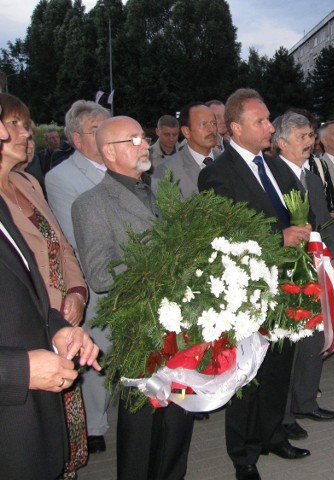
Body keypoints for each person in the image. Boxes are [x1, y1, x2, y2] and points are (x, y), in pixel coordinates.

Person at [72, 116, 194, 480]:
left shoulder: (164, 188)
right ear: (109, 151)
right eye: (134, 139)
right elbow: (99, 274)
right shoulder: (91, 204)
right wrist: (163, 262)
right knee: (143, 425)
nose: (146, 144)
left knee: (179, 417)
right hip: (140, 331)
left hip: (185, 326)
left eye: (144, 137)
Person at [198, 88, 312, 480]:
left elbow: (295, 209)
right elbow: (224, 236)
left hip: (284, 286)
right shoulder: (216, 174)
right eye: (260, 121)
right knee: (247, 373)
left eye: (269, 119)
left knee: (279, 366)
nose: (269, 126)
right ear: (235, 128)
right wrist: (279, 238)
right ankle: (243, 455)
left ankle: (271, 434)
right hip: (247, 293)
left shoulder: (276, 166)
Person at [0, 98, 101, 480]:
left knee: (56, 431)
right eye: (13, 123)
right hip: (21, 338)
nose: (20, 133)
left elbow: (59, 243)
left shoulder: (27, 183)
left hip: (53, 318)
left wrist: (73, 295)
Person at [45, 99, 112, 454]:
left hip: (129, 275)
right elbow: (76, 237)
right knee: (95, 352)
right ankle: (94, 427)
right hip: (94, 279)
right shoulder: (61, 178)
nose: (105, 136)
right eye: (96, 130)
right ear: (76, 137)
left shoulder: (121, 167)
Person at [271, 112, 334, 441]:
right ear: (281, 143)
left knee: (313, 337)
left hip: (318, 269)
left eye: (310, 135)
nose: (310, 142)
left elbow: (327, 222)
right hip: (286, 275)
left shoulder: (312, 176)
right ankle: (282, 416)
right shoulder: (271, 176)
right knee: (288, 344)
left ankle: (306, 400)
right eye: (301, 137)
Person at [154, 102, 218, 198]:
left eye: (214, 123)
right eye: (203, 124)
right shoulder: (168, 171)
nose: (211, 129)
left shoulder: (230, 161)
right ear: (186, 131)